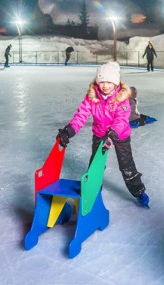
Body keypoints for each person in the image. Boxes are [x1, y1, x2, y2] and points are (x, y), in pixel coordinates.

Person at [56, 62, 150, 208]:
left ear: (116, 82)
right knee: (95, 165)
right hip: (100, 134)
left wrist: (112, 135)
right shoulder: (92, 97)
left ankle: (138, 190)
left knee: (126, 165)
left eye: (109, 82)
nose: (105, 85)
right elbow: (81, 115)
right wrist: (70, 130)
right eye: (102, 81)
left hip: (120, 135)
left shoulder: (122, 98)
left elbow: (121, 119)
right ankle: (92, 190)